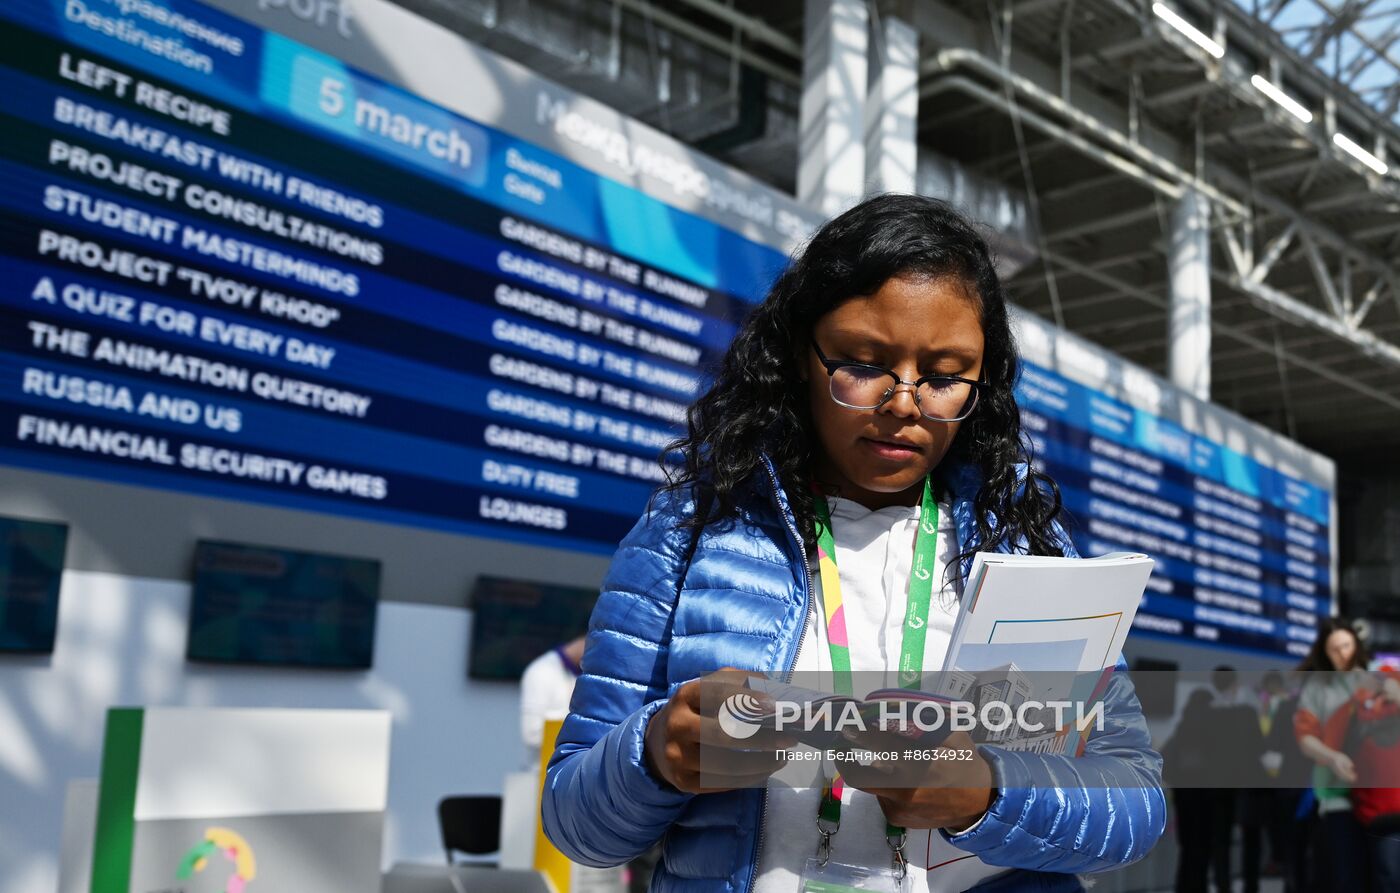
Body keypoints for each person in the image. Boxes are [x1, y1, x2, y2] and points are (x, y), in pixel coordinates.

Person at [541, 194, 1166, 892]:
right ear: (799, 355)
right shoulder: (692, 528)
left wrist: (990, 791)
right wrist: (657, 752)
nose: (903, 402)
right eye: (864, 363)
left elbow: (1134, 802)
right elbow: (575, 823)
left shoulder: (1024, 542)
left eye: (943, 375)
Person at [1294, 617, 1372, 891]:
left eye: (1347, 646)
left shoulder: (1379, 681)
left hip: (1382, 798)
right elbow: (1306, 738)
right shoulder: (1318, 689)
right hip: (1339, 798)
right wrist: (1332, 757)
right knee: (1346, 876)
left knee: (1386, 876)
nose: (1342, 654)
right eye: (1334, 649)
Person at [520, 635, 587, 770]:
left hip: (571, 772)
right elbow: (531, 734)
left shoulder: (582, 674)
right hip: (541, 775)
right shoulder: (541, 671)